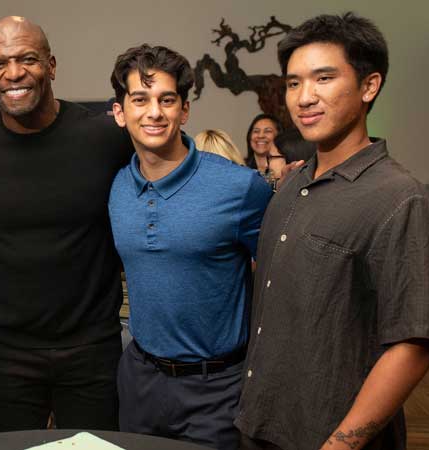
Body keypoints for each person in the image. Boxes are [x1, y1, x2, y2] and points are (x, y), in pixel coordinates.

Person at [237, 13, 429, 450]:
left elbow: (413, 345)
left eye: (324, 78)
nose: (304, 97)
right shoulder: (292, 184)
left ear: (369, 86)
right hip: (260, 424)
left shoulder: (401, 199)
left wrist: (340, 445)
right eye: (293, 83)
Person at [0, 16, 132, 432]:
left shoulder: (104, 138)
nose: (13, 74)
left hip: (92, 349)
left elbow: (165, 166)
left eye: (26, 59)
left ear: (51, 66)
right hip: (5, 354)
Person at [107, 44, 271, 449]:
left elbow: (276, 278)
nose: (154, 112)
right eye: (140, 100)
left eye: (167, 100)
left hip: (216, 388)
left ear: (184, 110)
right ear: (119, 112)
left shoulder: (239, 187)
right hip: (140, 381)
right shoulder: (116, 188)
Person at [245, 114, 288, 186]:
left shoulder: (287, 170)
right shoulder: (242, 168)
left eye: (268, 131)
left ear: (279, 135)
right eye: (256, 131)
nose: (260, 136)